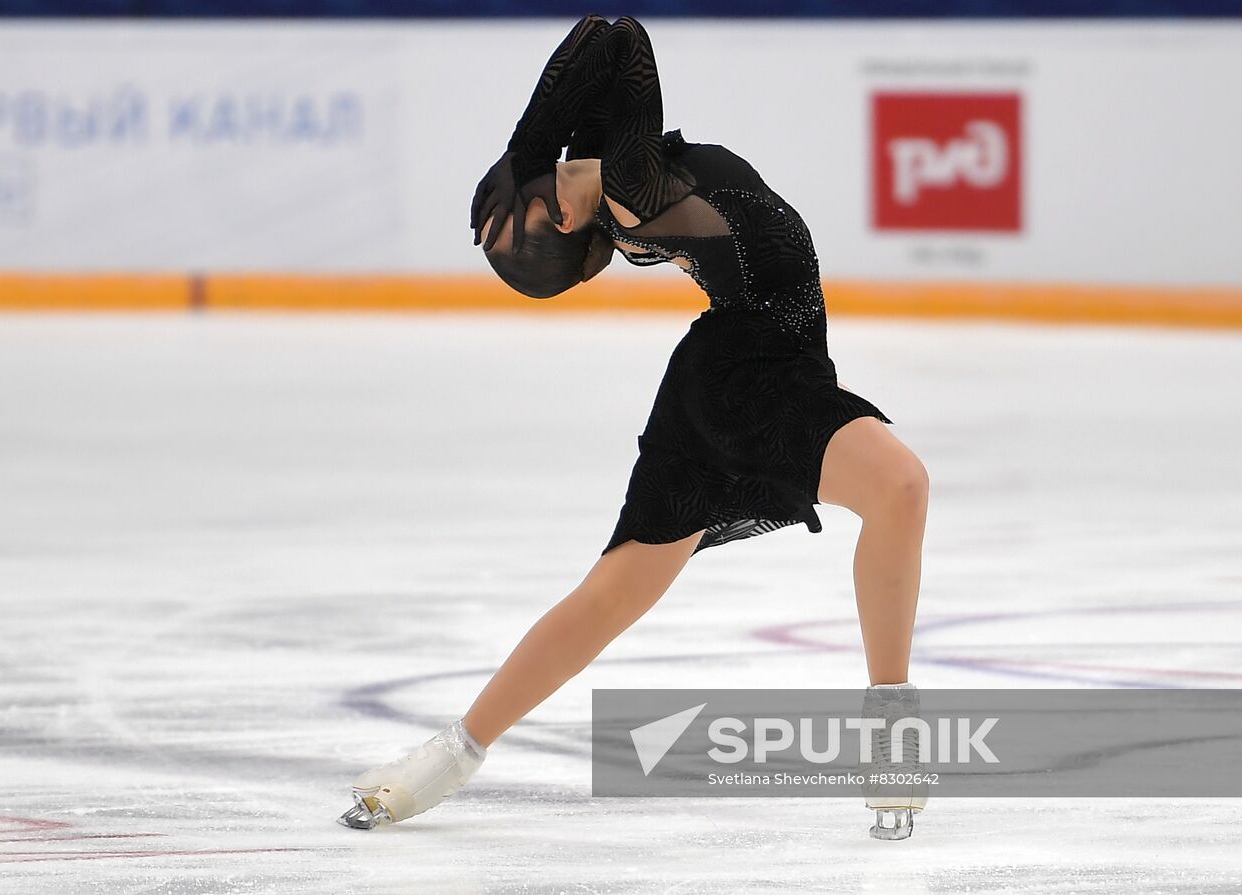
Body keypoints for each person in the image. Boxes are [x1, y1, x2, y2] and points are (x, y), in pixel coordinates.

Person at [338, 14, 931, 840]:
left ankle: (445, 757)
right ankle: (892, 741)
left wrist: (534, 156)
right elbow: (618, 39)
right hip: (754, 371)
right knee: (901, 486)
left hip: (721, 366)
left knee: (614, 591)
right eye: (525, 201)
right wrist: (524, 153)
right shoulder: (630, 185)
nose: (523, 186)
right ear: (567, 222)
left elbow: (604, 51)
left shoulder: (608, 173)